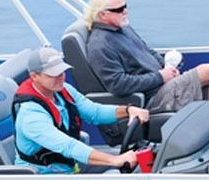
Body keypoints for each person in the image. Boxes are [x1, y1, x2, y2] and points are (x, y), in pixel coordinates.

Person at [79, 0, 209, 112]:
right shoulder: (100, 45)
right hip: (151, 98)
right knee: (207, 70)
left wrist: (167, 69)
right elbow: (118, 85)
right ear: (103, 14)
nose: (125, 11)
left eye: (125, 6)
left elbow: (148, 51)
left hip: (162, 84)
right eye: (118, 9)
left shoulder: (123, 28)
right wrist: (160, 77)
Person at [12, 49, 148, 172]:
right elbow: (68, 146)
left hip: (69, 167)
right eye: (53, 74)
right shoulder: (30, 115)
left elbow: (94, 112)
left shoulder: (62, 89)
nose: (60, 77)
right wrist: (115, 160)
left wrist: (128, 110)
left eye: (61, 72)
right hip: (45, 178)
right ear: (34, 76)